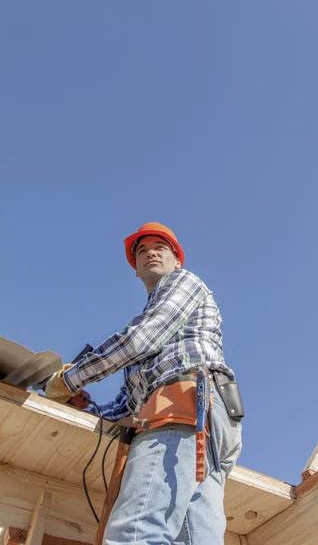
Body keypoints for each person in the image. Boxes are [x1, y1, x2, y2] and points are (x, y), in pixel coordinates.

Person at [45, 222, 243, 545]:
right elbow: (125, 406)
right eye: (141, 250)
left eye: (159, 247)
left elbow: (138, 340)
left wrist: (67, 379)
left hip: (183, 408)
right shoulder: (154, 348)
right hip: (203, 424)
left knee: (135, 534)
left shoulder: (184, 283)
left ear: (177, 260)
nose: (150, 251)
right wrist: (82, 403)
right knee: (194, 539)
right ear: (135, 269)